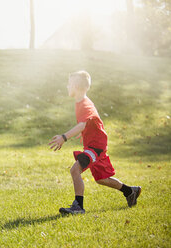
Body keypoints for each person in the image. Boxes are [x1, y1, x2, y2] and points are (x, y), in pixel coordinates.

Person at [48, 71, 141, 215]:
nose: (67, 86)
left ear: (77, 86)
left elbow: (83, 124)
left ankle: (78, 207)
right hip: (95, 145)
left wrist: (64, 137)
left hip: (95, 146)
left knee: (75, 170)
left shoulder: (85, 104)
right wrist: (84, 133)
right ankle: (130, 191)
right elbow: (89, 122)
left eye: (69, 84)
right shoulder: (80, 102)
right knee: (101, 178)